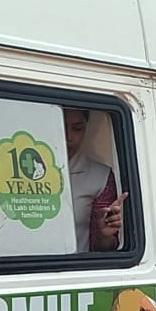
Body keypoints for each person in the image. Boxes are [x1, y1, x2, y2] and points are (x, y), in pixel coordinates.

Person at [62, 107, 127, 252]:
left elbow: (103, 249)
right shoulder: (19, 170)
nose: (68, 137)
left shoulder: (100, 176)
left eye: (77, 129)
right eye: (61, 126)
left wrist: (103, 235)